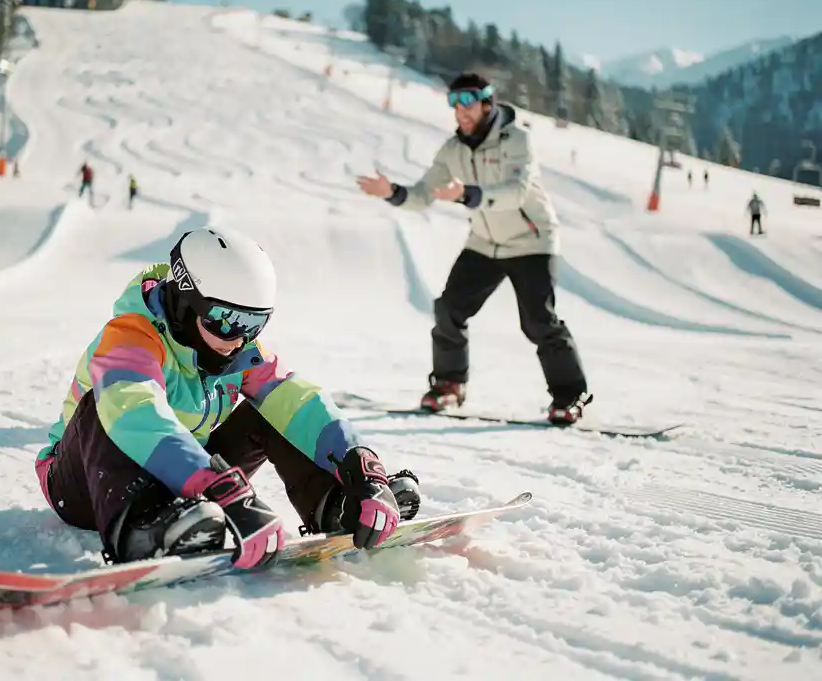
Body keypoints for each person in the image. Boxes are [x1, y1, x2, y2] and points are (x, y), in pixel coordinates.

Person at [34, 226, 420, 569]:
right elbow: (138, 416)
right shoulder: (129, 338)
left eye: (253, 323)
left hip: (177, 475)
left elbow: (299, 402)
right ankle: (140, 530)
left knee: (275, 409)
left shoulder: (236, 349)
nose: (237, 337)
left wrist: (361, 466)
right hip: (84, 480)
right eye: (225, 319)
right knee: (109, 404)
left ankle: (334, 504)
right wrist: (218, 487)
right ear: (186, 302)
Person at [356, 73, 591, 424]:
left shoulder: (516, 140)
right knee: (449, 308)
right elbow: (424, 194)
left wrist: (467, 194)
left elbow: (516, 192)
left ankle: (570, 397)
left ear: (486, 102)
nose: (459, 110)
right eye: (453, 102)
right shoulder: (453, 150)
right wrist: (393, 192)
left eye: (466, 101)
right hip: (484, 242)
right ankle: (450, 385)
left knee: (539, 321)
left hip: (531, 241)